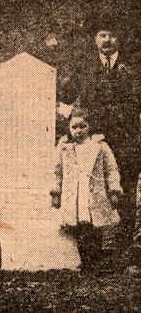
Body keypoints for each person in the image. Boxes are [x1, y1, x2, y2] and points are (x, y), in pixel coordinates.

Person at [61, 18, 141, 245]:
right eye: (102, 35)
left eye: (112, 35)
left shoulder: (134, 67)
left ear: (119, 40)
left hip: (126, 139)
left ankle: (124, 247)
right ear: (95, 40)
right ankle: (93, 250)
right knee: (90, 188)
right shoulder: (85, 68)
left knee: (123, 188)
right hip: (92, 140)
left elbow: (134, 102)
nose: (107, 40)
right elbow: (67, 100)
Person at [50, 108, 123, 274]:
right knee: (79, 228)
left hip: (93, 192)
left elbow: (111, 169)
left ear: (89, 126)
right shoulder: (65, 149)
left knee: (94, 226)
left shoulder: (100, 147)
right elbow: (57, 171)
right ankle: (85, 262)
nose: (78, 131)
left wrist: (113, 191)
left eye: (82, 126)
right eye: (74, 127)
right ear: (69, 128)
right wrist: (56, 192)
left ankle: (96, 261)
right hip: (75, 193)